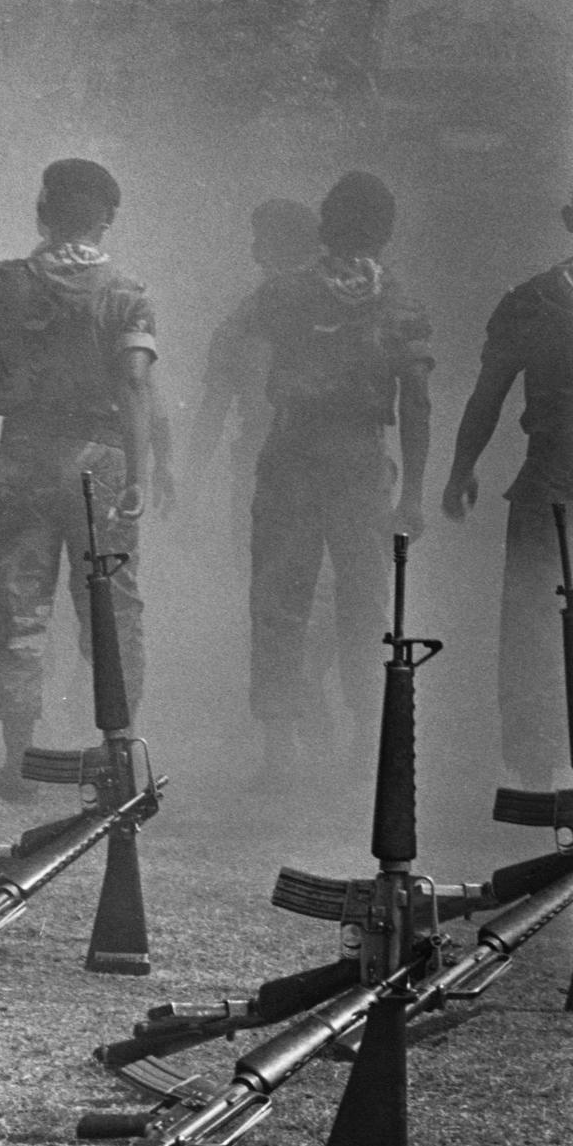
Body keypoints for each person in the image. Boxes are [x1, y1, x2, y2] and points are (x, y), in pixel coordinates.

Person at [0, 158, 161, 801]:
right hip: (103, 458)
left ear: (41, 212)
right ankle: (119, 753)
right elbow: (136, 382)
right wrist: (140, 473)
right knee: (112, 611)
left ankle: (16, 761)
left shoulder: (3, 280)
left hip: (26, 454)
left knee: (22, 606)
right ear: (107, 220)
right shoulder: (128, 293)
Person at [243, 171, 432, 779]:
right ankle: (363, 750)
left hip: (293, 454)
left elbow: (241, 362)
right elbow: (418, 401)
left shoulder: (283, 292)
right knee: (364, 605)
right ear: (387, 234)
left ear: (324, 226)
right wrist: (415, 497)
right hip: (359, 463)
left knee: (279, 601)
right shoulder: (399, 301)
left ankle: (276, 753)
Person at [442, 191, 573, 788]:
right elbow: (488, 392)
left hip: (549, 485)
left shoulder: (536, 299)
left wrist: (461, 467)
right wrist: (461, 465)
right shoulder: (533, 302)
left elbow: (488, 393)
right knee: (534, 627)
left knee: (536, 625)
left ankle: (539, 765)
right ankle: (537, 768)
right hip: (551, 480)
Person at [186, 199, 320, 549]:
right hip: (325, 466)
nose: (254, 250)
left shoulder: (245, 318)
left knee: (260, 583)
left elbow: (213, 411)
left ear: (274, 248)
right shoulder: (347, 307)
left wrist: (189, 488)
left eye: (261, 240)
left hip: (265, 462)